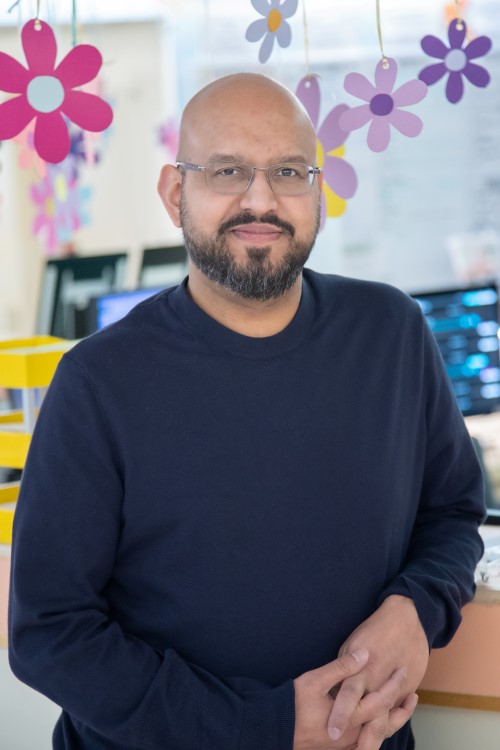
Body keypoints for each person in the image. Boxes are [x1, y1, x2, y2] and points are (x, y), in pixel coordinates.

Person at [8, 73, 485, 750]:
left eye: (288, 171)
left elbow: (454, 514)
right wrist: (266, 726)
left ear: (317, 193)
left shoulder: (392, 333)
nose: (260, 199)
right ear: (176, 193)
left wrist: (416, 608)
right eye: (227, 170)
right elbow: (49, 634)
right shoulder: (96, 382)